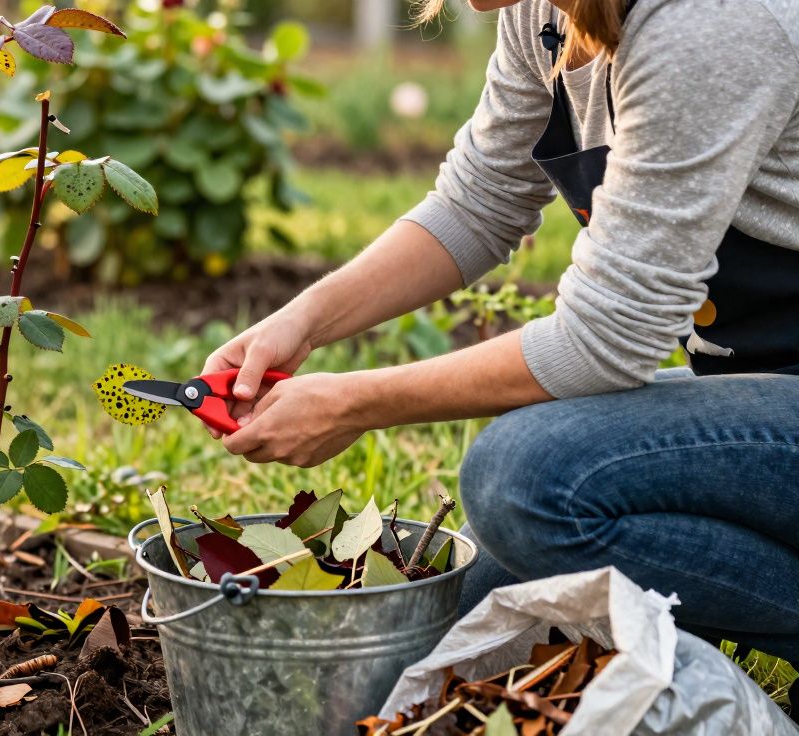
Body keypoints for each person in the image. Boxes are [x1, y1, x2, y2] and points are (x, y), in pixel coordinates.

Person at [202, 0, 799, 663]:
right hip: (768, 393)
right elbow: (479, 201)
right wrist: (301, 322)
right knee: (448, 636)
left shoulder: (714, 24)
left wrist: (351, 404)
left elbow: (603, 341)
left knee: (523, 479)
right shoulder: (542, 12)